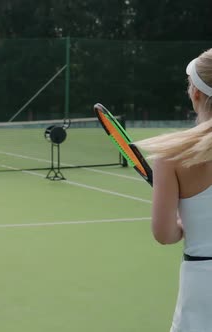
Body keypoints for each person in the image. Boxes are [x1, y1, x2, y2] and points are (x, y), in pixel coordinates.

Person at [136, 48, 212, 332]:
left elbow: (164, 233)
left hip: (202, 286)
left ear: (195, 95)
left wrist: (181, 225)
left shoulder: (171, 155)